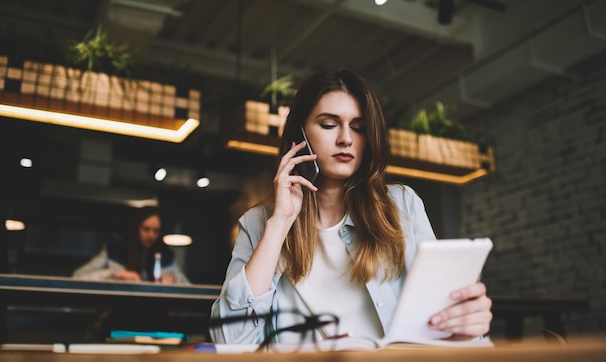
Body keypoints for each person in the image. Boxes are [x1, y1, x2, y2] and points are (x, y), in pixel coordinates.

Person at [209, 67, 492, 345]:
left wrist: (465, 326)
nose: (346, 138)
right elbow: (231, 341)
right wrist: (281, 221)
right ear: (299, 136)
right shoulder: (259, 222)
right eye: (329, 124)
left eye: (358, 128)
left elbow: (443, 321)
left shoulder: (401, 205)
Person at [73, 206, 189, 284]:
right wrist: (115, 275)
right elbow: (78, 276)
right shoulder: (114, 252)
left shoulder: (166, 256)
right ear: (136, 228)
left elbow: (188, 286)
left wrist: (174, 279)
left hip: (155, 313)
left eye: (156, 231)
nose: (151, 235)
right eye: (146, 229)